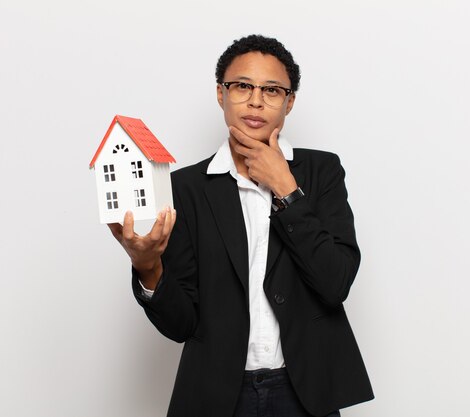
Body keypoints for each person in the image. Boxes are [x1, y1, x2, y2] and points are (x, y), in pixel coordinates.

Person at [108, 34, 374, 417]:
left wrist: (286, 188)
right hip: (217, 395)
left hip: (305, 392)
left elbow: (335, 285)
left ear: (289, 102)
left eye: (271, 90)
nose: (255, 100)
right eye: (242, 86)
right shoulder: (185, 188)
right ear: (221, 94)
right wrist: (149, 268)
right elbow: (181, 325)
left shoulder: (322, 172)